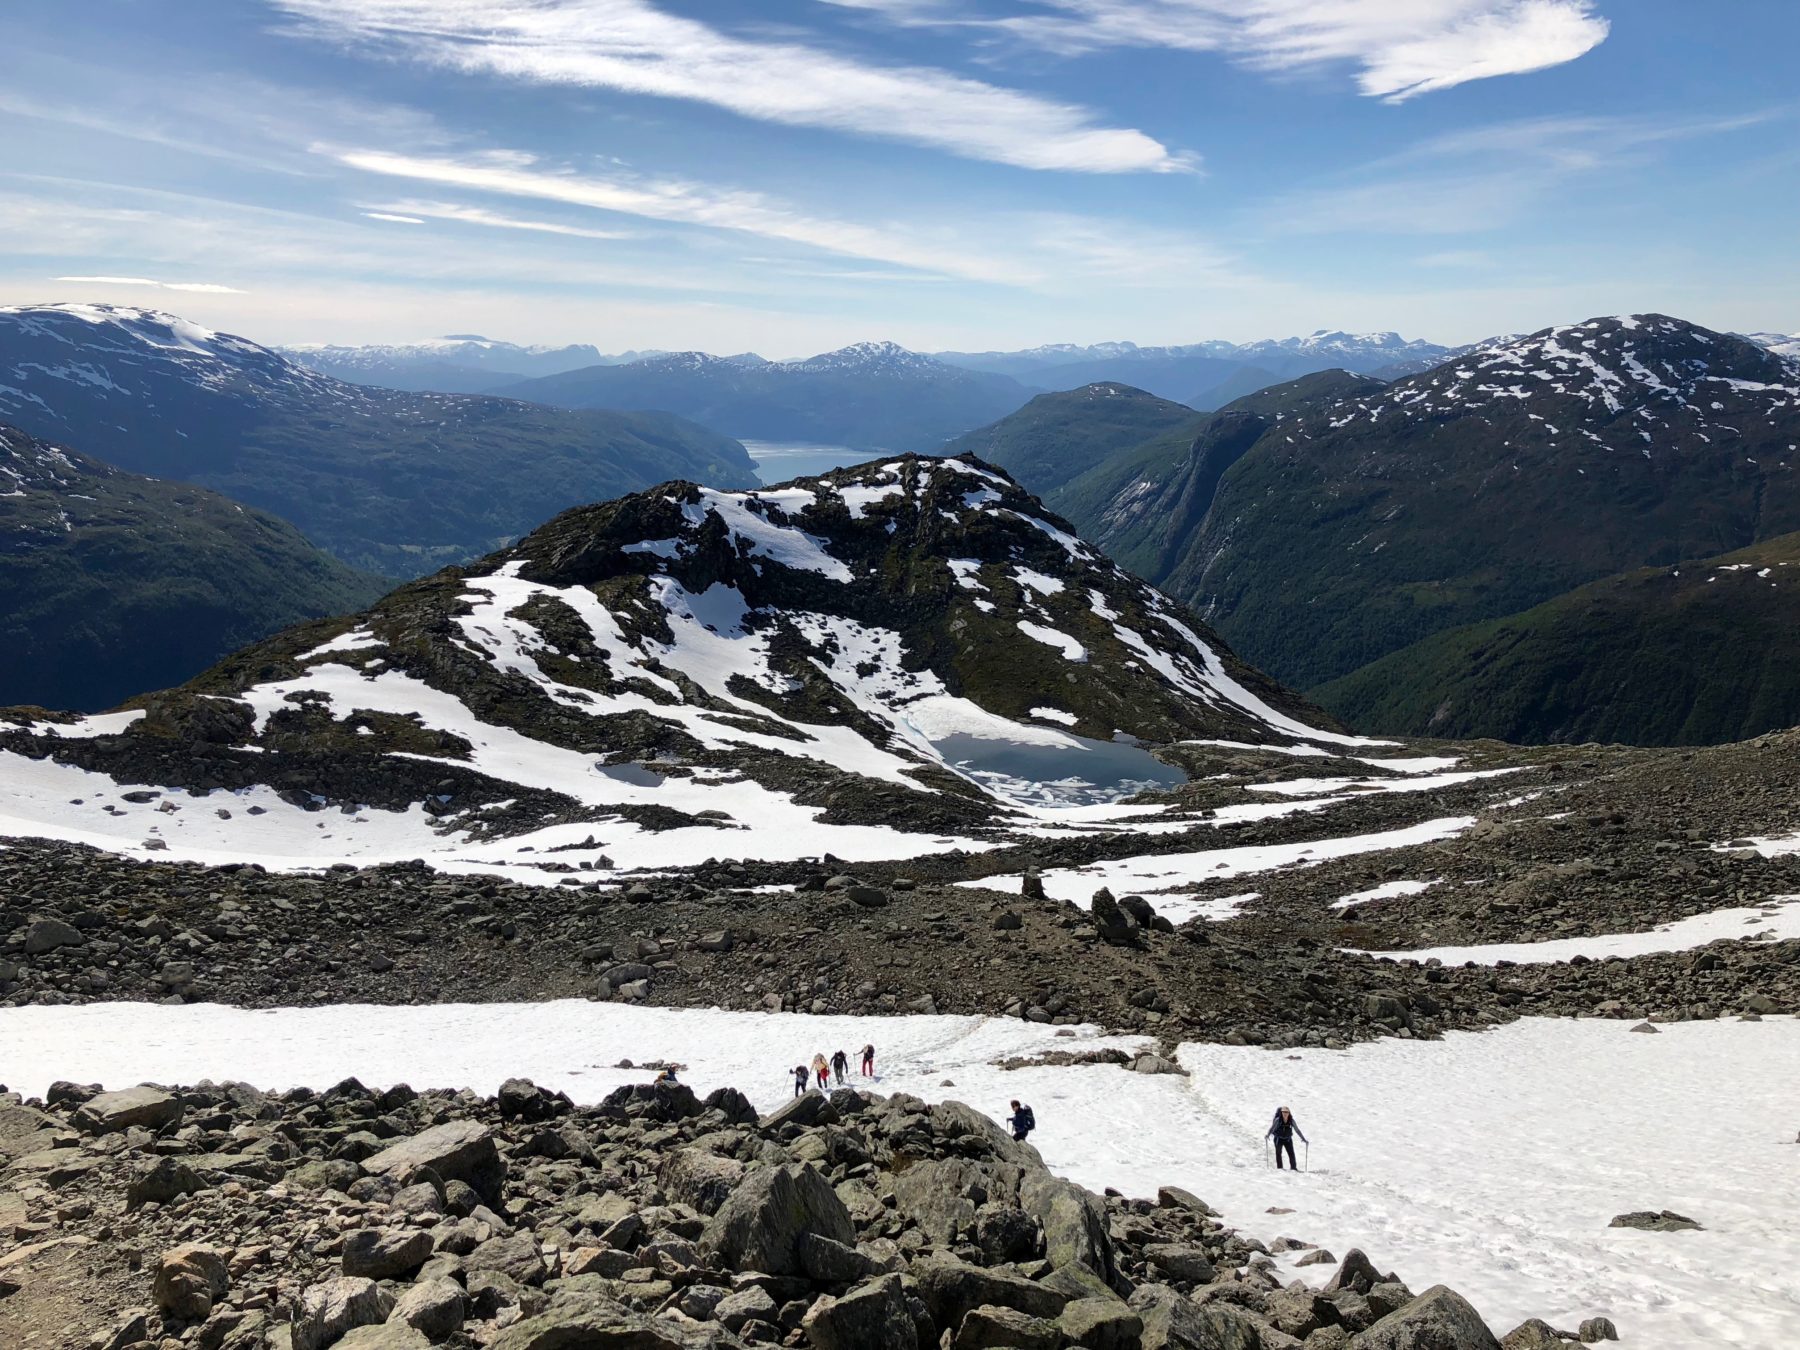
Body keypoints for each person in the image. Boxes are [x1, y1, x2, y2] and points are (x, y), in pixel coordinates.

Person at [1267, 1106, 1307, 1170]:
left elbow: (1297, 1130)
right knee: (1278, 1153)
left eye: (1286, 1112)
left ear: (1289, 1113)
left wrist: (1303, 1138)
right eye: (1283, 1112)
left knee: (1291, 1153)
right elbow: (1272, 1128)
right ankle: (1280, 1168)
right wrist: (1268, 1135)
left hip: (1288, 1139)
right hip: (1278, 1139)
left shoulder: (1291, 1121)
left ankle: (1293, 1168)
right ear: (1281, 1113)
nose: (1285, 1113)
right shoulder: (1278, 1120)